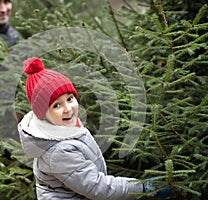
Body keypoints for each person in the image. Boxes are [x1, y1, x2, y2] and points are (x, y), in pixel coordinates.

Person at [18, 57, 171, 200]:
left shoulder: (63, 125)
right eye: (56, 105)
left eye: (70, 99)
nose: (68, 109)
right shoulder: (59, 151)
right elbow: (97, 187)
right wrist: (143, 187)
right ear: (42, 114)